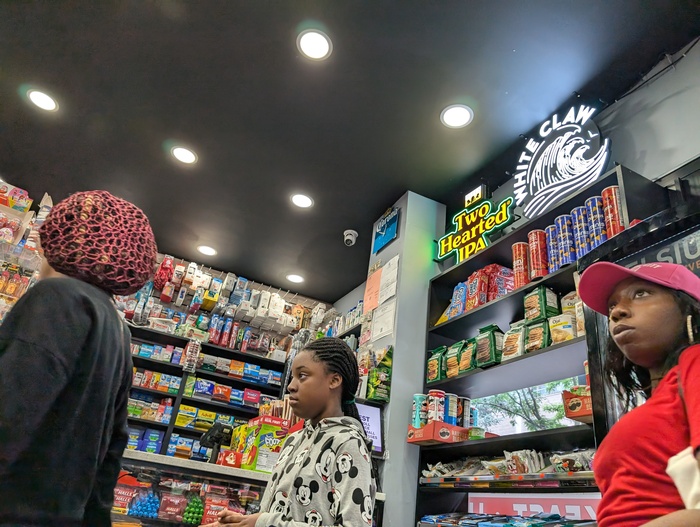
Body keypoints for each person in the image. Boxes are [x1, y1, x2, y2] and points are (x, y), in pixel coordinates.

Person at [0, 190, 157, 526]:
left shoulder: (57, 298)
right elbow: (111, 451)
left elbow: (9, 410)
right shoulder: (118, 329)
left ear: (61, 243)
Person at [204, 337, 376, 527]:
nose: (291, 386)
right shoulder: (292, 440)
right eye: (293, 377)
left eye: (302, 375)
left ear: (334, 380)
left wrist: (263, 523)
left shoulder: (348, 443)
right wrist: (240, 523)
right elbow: (276, 515)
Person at [578, 261, 700, 527]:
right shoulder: (663, 396)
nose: (616, 312)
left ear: (688, 308)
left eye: (641, 293)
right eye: (612, 305)